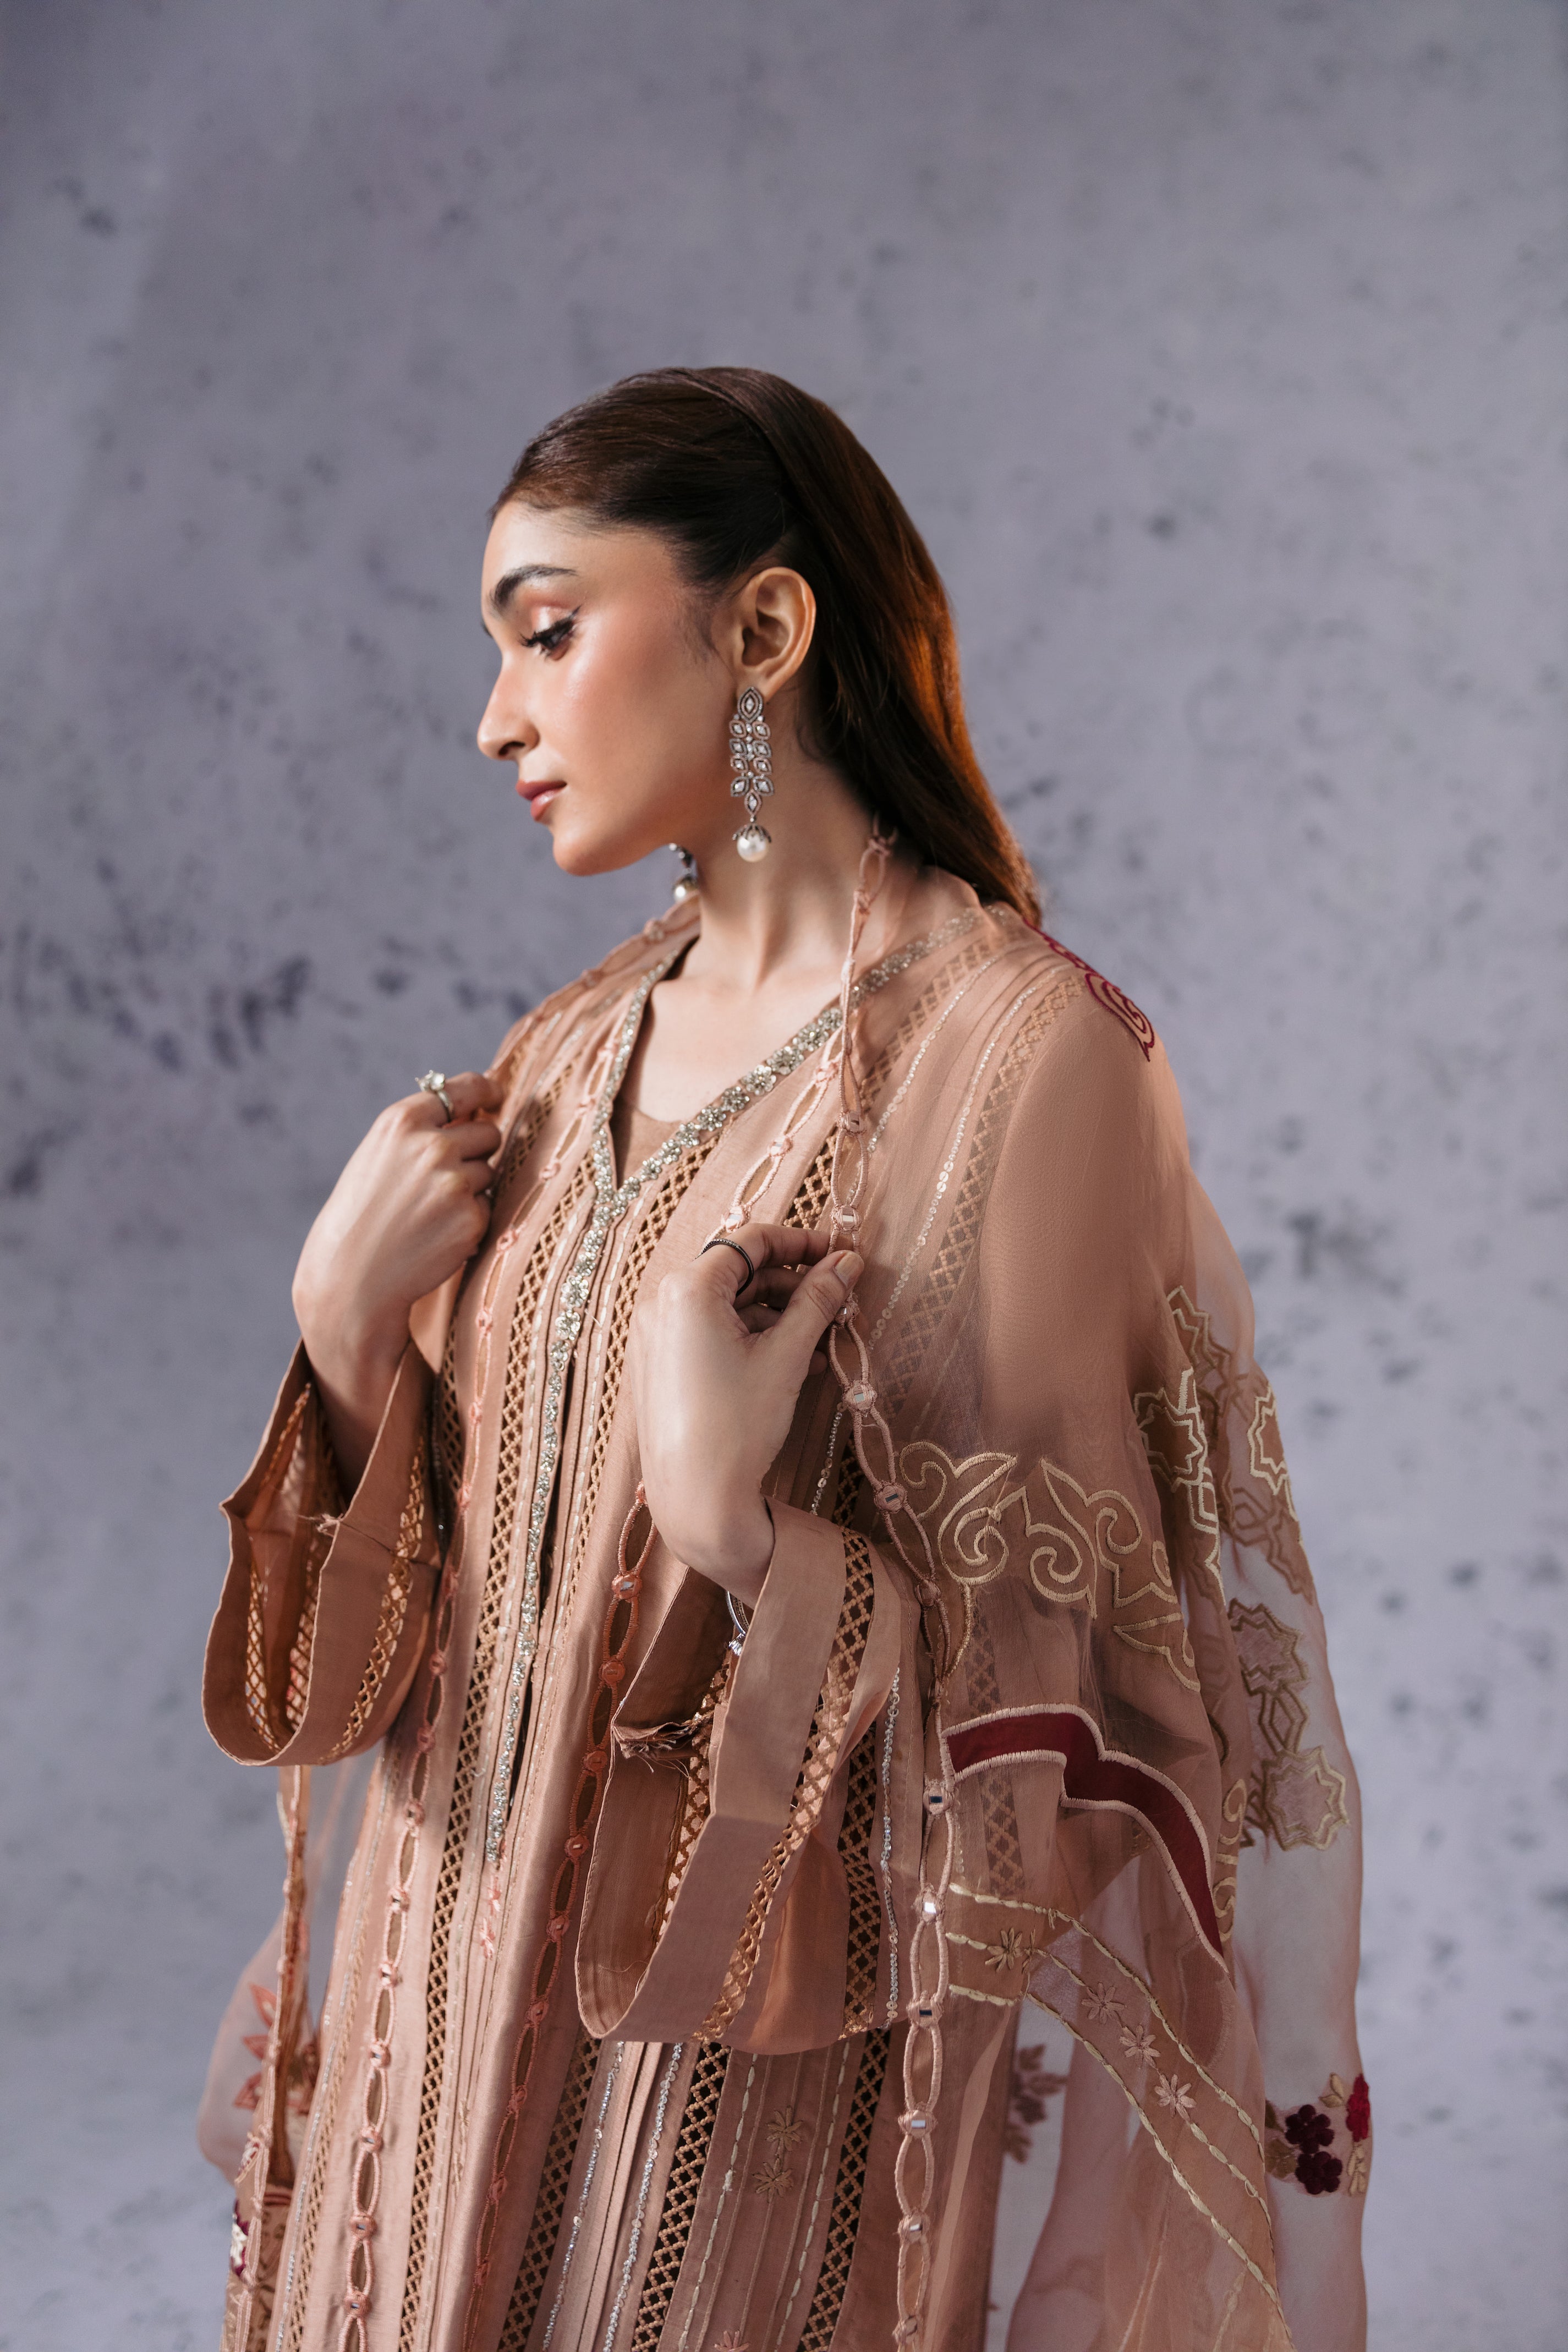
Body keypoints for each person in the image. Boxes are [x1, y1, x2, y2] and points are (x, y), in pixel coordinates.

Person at [200, 368, 1368, 2352]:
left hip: (734, 2080)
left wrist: (738, 1532)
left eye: (545, 631)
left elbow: (1098, 1730)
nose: (495, 718)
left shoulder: (1028, 1064)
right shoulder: (561, 1057)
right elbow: (412, 1646)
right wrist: (340, 1340)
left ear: (761, 628)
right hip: (428, 2008)